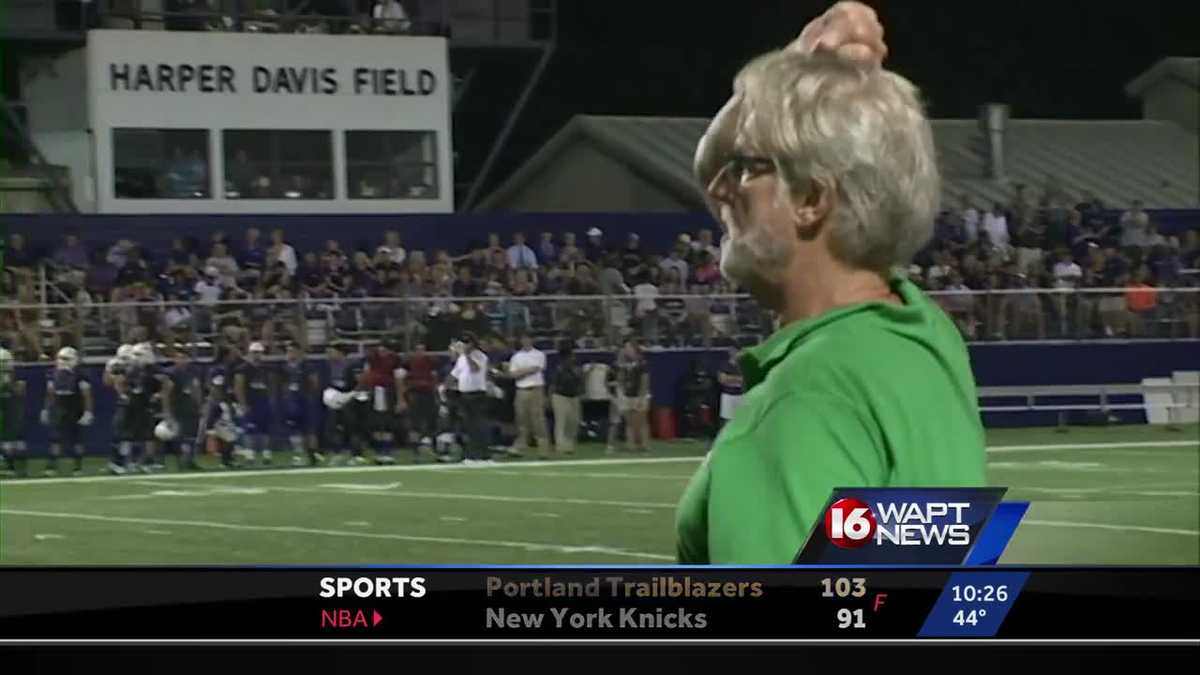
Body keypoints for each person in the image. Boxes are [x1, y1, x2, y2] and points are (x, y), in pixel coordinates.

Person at [678, 1, 986, 564]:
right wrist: (798, 63)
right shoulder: (921, 333)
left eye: (745, 169)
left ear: (812, 200)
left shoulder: (800, 403)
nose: (721, 188)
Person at [41, 347, 95, 476]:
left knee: (76, 438)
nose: (62, 361)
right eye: (61, 358)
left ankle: (78, 465)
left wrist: (88, 411)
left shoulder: (81, 374)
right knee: (55, 438)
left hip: (74, 407)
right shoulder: (53, 373)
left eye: (66, 359)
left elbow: (86, 394)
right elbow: (50, 393)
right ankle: (52, 464)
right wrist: (46, 408)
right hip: (58, 406)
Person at [506, 332, 552, 459]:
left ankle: (543, 450)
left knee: (538, 420)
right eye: (523, 338)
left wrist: (521, 372)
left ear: (532, 340)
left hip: (536, 390)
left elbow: (537, 368)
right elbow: (513, 374)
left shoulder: (539, 354)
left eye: (528, 338)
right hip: (521, 390)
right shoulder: (516, 356)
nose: (526, 341)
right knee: (522, 420)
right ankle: (520, 447)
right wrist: (527, 370)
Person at [449, 332, 490, 465]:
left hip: (477, 394)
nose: (465, 345)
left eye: (467, 343)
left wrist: (466, 354)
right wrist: (445, 386)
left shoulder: (479, 355)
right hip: (465, 394)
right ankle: (471, 454)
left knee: (479, 425)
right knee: (469, 426)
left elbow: (475, 369)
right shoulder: (461, 358)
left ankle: (484, 455)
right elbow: (455, 374)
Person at [281, 342, 322, 467]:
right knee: (294, 430)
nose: (290, 354)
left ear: (299, 352)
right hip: (291, 401)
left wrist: (308, 394)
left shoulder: (307, 366)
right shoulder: (285, 367)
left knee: (309, 430)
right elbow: (283, 385)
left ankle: (312, 455)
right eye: (288, 351)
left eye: (292, 351)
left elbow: (314, 382)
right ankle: (298, 455)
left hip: (305, 400)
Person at [615, 339, 651, 453]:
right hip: (628, 395)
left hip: (640, 395)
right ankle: (631, 444)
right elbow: (620, 379)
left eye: (628, 348)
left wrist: (641, 398)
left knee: (641, 421)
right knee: (630, 422)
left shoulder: (642, 363)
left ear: (635, 349)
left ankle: (644, 444)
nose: (626, 350)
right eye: (625, 348)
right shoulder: (624, 364)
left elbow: (645, 381)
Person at [550, 341, 583, 456]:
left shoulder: (576, 366)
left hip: (573, 396)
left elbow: (579, 381)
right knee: (561, 422)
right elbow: (553, 384)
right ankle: (560, 445)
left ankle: (569, 445)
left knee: (574, 421)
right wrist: (550, 397)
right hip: (560, 396)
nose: (573, 357)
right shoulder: (558, 367)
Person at [1, 347, 29, 477]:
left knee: (14, 439)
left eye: (6, 361)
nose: (4, 365)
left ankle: (15, 466)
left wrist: (9, 384)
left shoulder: (17, 373)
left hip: (11, 410)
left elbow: (20, 391)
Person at [716, 348, 745, 431]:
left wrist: (731, 379)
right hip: (728, 396)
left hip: (741, 395)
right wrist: (739, 379)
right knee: (727, 420)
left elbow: (746, 379)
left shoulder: (743, 366)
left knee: (741, 419)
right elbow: (723, 379)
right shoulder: (724, 365)